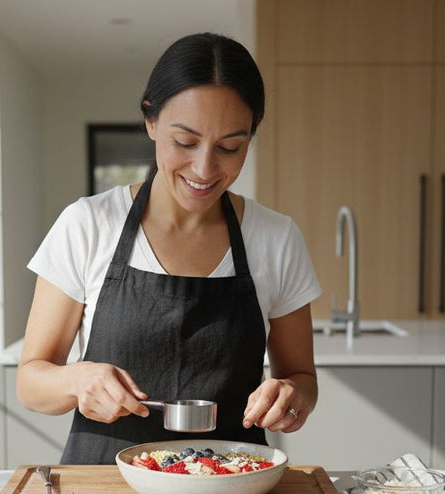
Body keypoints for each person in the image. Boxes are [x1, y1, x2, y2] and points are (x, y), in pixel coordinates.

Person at [18, 33, 321, 465]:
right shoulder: (87, 224)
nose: (204, 168)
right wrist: (76, 381)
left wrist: (293, 395)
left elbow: (302, 378)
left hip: (230, 492)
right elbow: (31, 383)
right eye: (185, 142)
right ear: (151, 121)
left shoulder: (275, 238)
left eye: (230, 147)